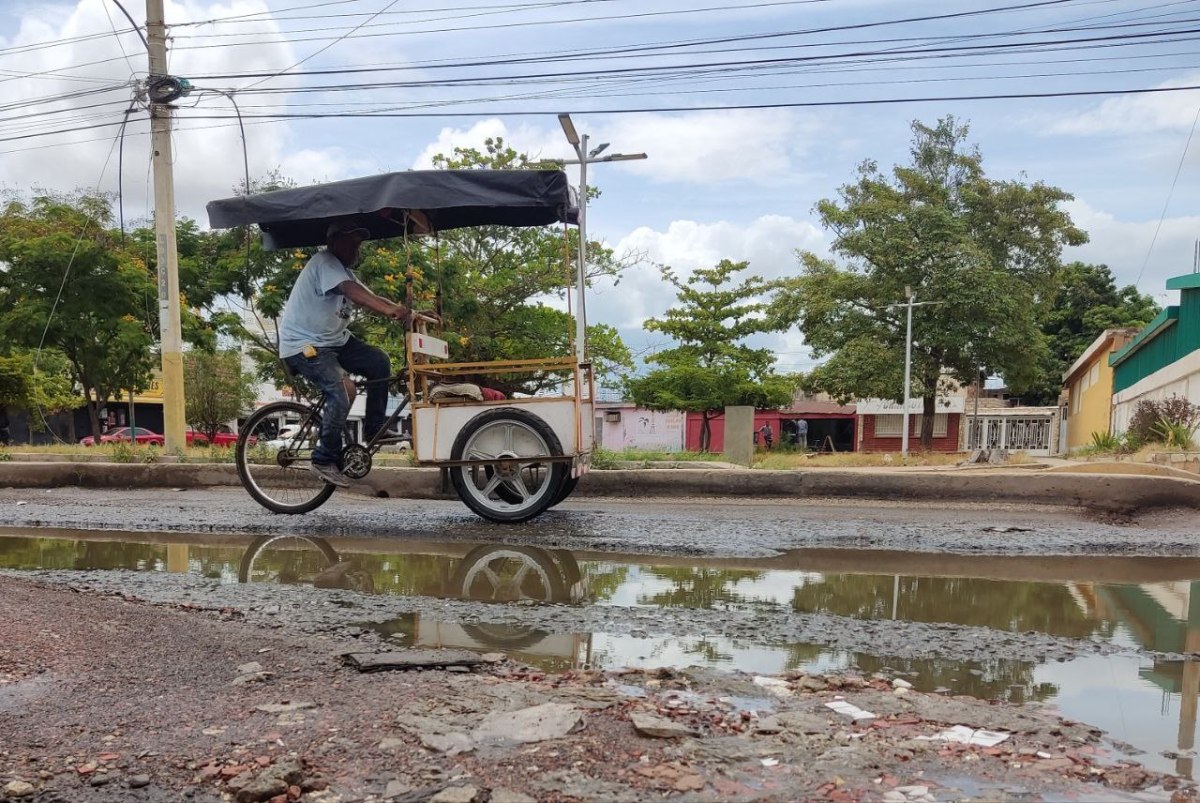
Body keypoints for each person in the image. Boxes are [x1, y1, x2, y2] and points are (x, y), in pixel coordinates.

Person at [278, 220, 414, 488]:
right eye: (351, 242)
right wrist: (389, 311)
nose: (356, 248)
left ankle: (375, 427)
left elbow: (370, 295)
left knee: (378, 362)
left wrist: (410, 313)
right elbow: (353, 293)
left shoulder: (343, 271)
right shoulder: (325, 261)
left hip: (335, 342)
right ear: (334, 242)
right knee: (344, 388)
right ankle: (324, 458)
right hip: (305, 346)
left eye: (359, 243)